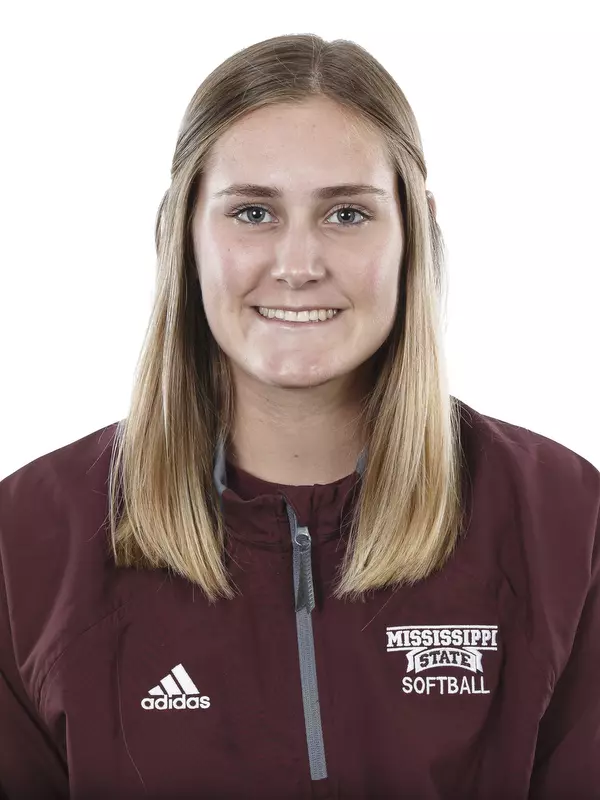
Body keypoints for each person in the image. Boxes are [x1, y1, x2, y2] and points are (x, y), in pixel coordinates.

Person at [0, 32, 598, 800]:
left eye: (347, 214)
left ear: (415, 229)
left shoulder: (564, 520)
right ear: (182, 230)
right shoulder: (30, 541)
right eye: (253, 212)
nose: (298, 265)